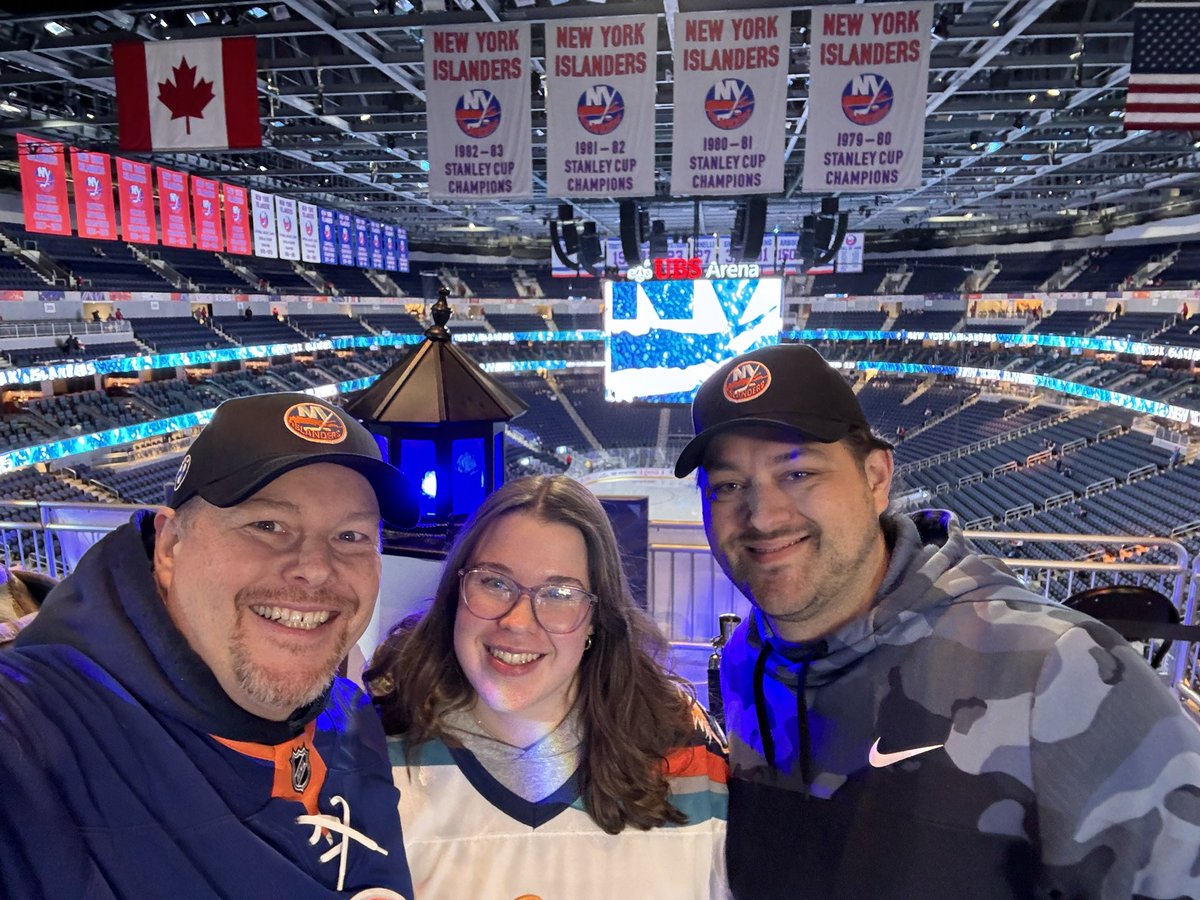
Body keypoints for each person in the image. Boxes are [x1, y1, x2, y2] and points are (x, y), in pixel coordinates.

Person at [674, 343, 1200, 899]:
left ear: (876, 479)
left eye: (799, 472)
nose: (763, 515)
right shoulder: (745, 660)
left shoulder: (1057, 669)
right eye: (728, 486)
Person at [0, 392, 417, 898]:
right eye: (267, 525)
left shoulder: (350, 715)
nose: (315, 567)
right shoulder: (35, 733)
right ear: (171, 545)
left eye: (350, 536)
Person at [366, 474, 729, 899]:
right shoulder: (372, 753)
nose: (518, 621)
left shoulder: (685, 754)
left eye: (559, 593)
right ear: (456, 593)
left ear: (596, 619)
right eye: (494, 582)